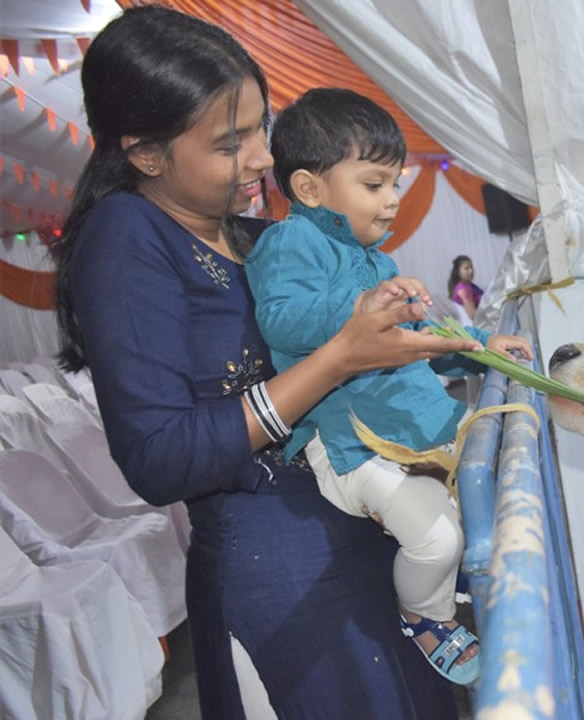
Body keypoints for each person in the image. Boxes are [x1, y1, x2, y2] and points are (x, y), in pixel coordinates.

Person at [50, 7, 476, 717]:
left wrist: (444, 344)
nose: (260, 158)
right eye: (230, 143)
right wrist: (336, 360)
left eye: (260, 128)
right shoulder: (125, 239)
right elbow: (159, 458)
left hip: (362, 527)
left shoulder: (259, 235)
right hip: (282, 579)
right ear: (147, 154)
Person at [244, 88, 532, 686]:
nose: (393, 199)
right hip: (356, 447)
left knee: (485, 496)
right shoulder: (290, 242)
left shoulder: (378, 263)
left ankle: (447, 586)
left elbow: (424, 334)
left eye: (395, 184)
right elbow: (281, 319)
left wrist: (481, 347)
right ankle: (424, 614)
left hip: (412, 428)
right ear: (309, 189)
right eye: (374, 184)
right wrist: (360, 308)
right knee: (436, 540)